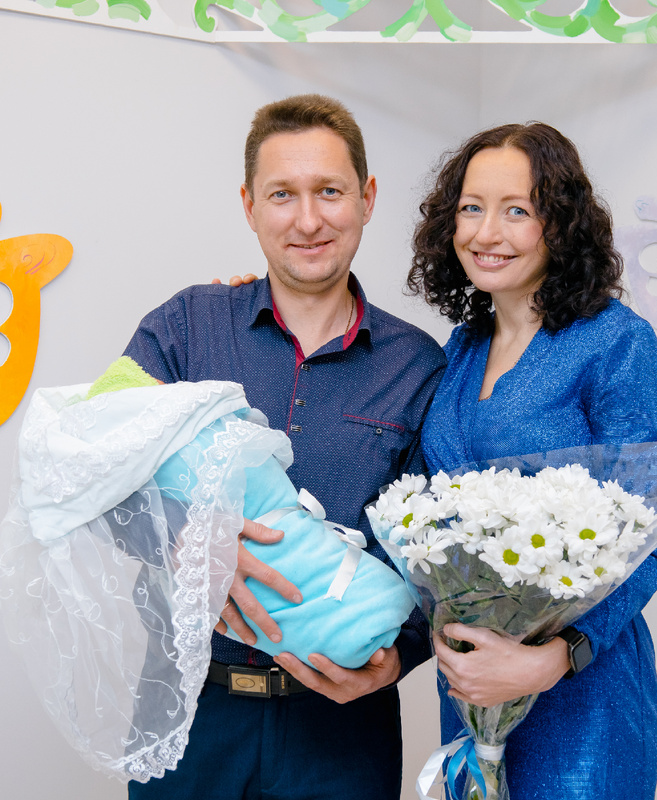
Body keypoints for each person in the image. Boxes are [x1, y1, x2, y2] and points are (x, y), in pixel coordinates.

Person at [123, 94, 445, 800]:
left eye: (329, 191)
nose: (307, 220)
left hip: (341, 730)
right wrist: (191, 541)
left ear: (366, 198)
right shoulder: (184, 328)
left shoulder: (419, 366)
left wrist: (400, 658)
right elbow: (100, 484)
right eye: (281, 195)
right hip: (189, 714)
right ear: (249, 205)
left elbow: (438, 552)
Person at [407, 123, 657, 799]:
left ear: (560, 223)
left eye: (517, 211)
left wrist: (555, 658)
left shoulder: (616, 343)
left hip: (582, 697)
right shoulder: (463, 347)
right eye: (471, 208)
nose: (486, 232)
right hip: (472, 690)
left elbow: (649, 544)